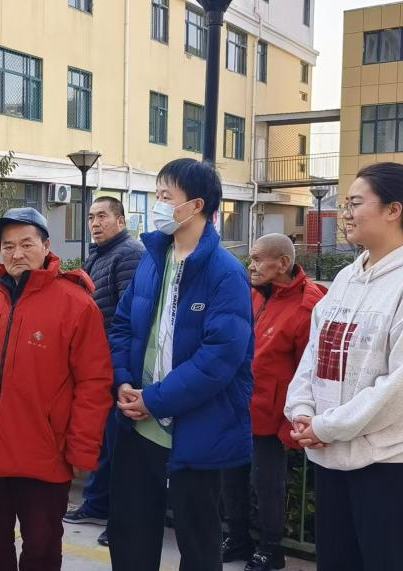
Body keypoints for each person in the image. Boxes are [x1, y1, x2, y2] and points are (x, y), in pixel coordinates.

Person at [285, 162, 403, 571]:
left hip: (398, 466)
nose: (345, 213)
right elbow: (315, 352)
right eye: (345, 204)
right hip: (334, 457)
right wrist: (303, 409)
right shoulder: (348, 277)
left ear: (394, 210)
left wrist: (327, 426)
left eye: (356, 203)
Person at [106, 159, 254, 571]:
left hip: (198, 431)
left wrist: (155, 400)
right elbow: (122, 325)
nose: (157, 204)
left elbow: (218, 359)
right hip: (138, 425)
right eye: (157, 194)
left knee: (198, 542)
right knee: (131, 534)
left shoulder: (226, 274)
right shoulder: (154, 259)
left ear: (196, 205)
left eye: (165, 196)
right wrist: (123, 381)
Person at [0, 208, 112, 571]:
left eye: (27, 244)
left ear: (46, 246)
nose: (16, 254)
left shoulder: (76, 303)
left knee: (41, 548)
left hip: (43, 454)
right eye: (8, 246)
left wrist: (83, 449)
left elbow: (94, 383)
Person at [221, 234, 325, 570]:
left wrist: (290, 422)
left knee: (266, 485)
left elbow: (309, 371)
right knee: (231, 478)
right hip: (238, 408)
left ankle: (270, 548)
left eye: (257, 259)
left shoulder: (308, 306)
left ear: (282, 263)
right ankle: (237, 538)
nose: (250, 266)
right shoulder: (252, 292)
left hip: (272, 416)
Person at [64, 196, 145, 546]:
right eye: (91, 217)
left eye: (102, 217)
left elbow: (130, 316)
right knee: (103, 440)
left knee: (120, 446)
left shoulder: (129, 255)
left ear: (121, 221)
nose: (95, 223)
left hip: (119, 365)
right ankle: (97, 503)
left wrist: (118, 366)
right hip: (99, 362)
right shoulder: (99, 254)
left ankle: (121, 520)